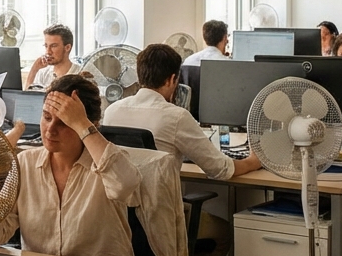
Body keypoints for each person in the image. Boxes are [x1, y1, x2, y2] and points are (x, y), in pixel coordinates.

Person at [0, 73, 141, 256]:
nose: (50, 130)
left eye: (64, 122)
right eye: (47, 117)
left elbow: (125, 185)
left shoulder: (108, 163)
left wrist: (82, 124)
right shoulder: (25, 163)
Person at [103, 44, 264, 180]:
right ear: (172, 79)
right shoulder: (176, 117)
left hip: (121, 206)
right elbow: (220, 169)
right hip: (159, 207)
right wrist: (253, 161)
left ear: (139, 77)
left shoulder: (111, 112)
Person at [25, 24, 79, 90]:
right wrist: (34, 69)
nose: (48, 52)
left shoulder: (79, 74)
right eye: (46, 46)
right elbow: (27, 95)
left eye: (53, 46)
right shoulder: (43, 74)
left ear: (67, 47)